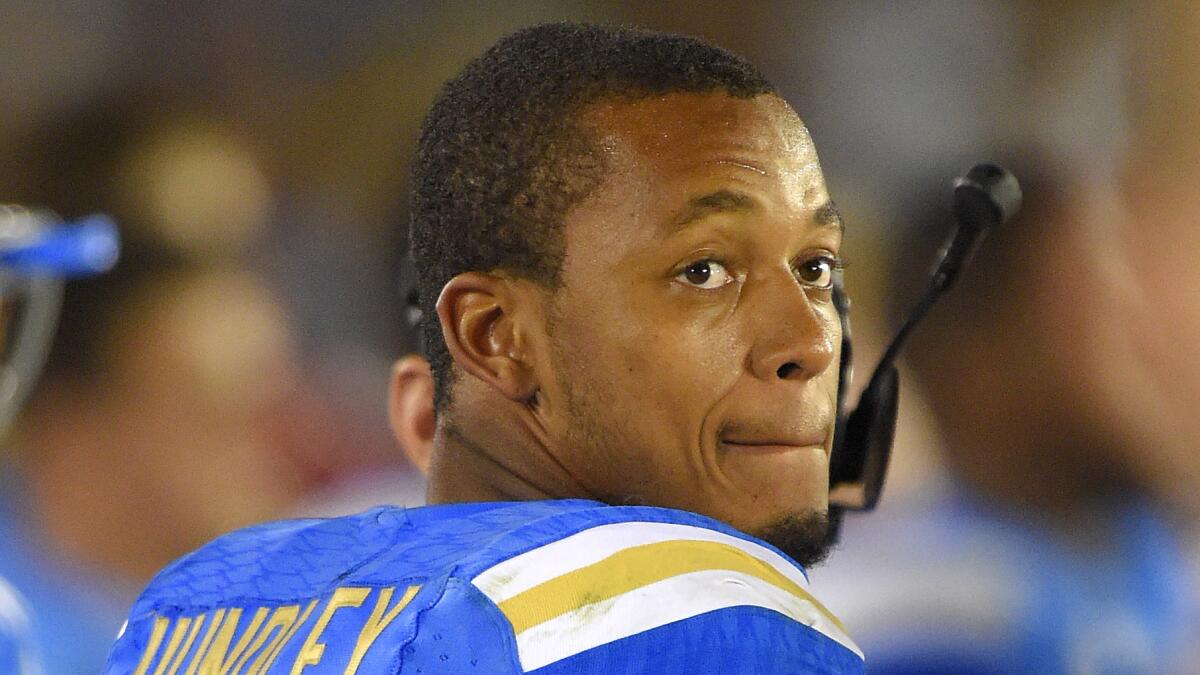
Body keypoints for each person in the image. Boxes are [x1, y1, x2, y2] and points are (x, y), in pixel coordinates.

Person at [105, 23, 865, 673]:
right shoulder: (702, 614)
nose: (810, 340)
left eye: (816, 267)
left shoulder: (192, 609)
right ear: (494, 336)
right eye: (703, 271)